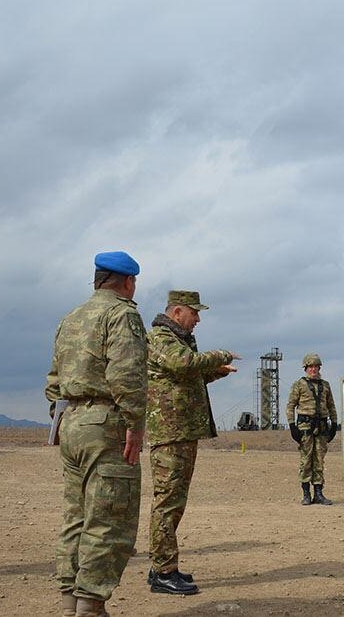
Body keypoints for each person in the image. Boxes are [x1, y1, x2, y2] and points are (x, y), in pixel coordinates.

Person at [45, 251, 148, 617]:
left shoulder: (71, 317)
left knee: (76, 516)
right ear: (128, 282)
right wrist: (135, 425)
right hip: (106, 425)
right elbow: (128, 375)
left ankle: (69, 602)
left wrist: (64, 418)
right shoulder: (122, 314)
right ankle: (90, 606)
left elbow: (54, 380)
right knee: (108, 517)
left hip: (71, 422)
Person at [146, 290, 239, 595]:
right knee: (167, 500)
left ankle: (165, 566)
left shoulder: (178, 341)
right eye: (194, 313)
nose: (198, 319)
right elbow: (183, 364)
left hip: (182, 431)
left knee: (175, 502)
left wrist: (215, 372)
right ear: (176, 312)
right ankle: (162, 571)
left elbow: (186, 374)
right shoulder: (161, 337)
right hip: (169, 432)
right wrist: (220, 355)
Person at [286, 353, 339, 505]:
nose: (314, 369)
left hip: (322, 427)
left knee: (319, 461)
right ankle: (306, 494)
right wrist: (292, 426)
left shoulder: (325, 385)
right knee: (306, 461)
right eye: (311, 367)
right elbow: (290, 406)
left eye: (316, 367)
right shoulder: (299, 385)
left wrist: (334, 425)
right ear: (306, 368)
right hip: (305, 427)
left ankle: (319, 493)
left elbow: (331, 407)